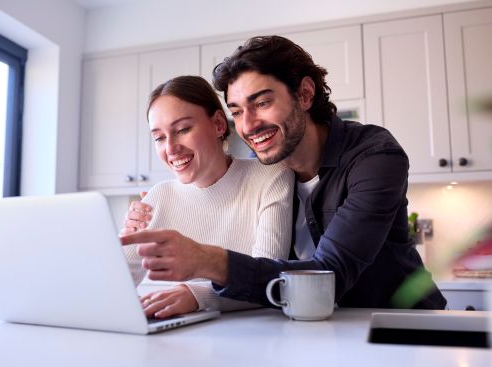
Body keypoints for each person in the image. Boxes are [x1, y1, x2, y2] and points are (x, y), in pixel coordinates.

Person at [121, 36, 447, 310]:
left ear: (305, 94)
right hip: (317, 327)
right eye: (237, 111)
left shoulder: (373, 156)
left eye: (261, 103)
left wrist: (206, 264)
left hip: (397, 323)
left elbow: (328, 276)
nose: (248, 126)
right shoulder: (269, 165)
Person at [121, 75, 294, 318]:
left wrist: (197, 296)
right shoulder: (159, 196)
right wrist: (123, 239)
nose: (170, 148)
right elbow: (113, 284)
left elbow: (269, 278)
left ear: (218, 124)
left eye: (182, 129)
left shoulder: (270, 176)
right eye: (159, 137)